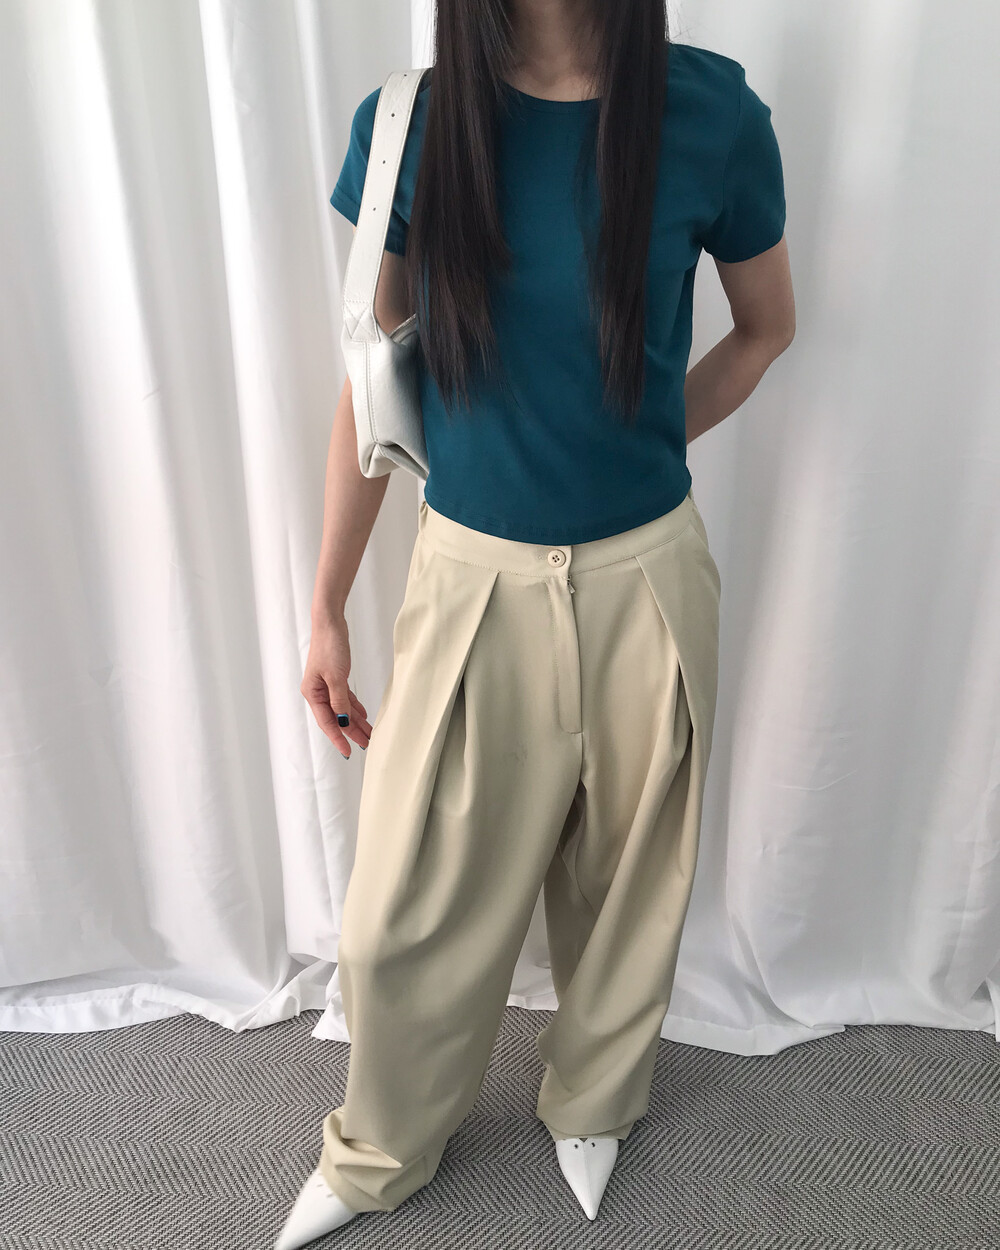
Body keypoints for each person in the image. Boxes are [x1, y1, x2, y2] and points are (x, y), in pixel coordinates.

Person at [276, 2, 794, 1245]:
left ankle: (594, 1099)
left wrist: (640, 437)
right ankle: (381, 1141)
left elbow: (767, 327)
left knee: (628, 880)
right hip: (469, 579)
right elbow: (370, 380)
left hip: (648, 575)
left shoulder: (711, 113)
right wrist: (325, 603)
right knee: (395, 910)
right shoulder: (408, 127)